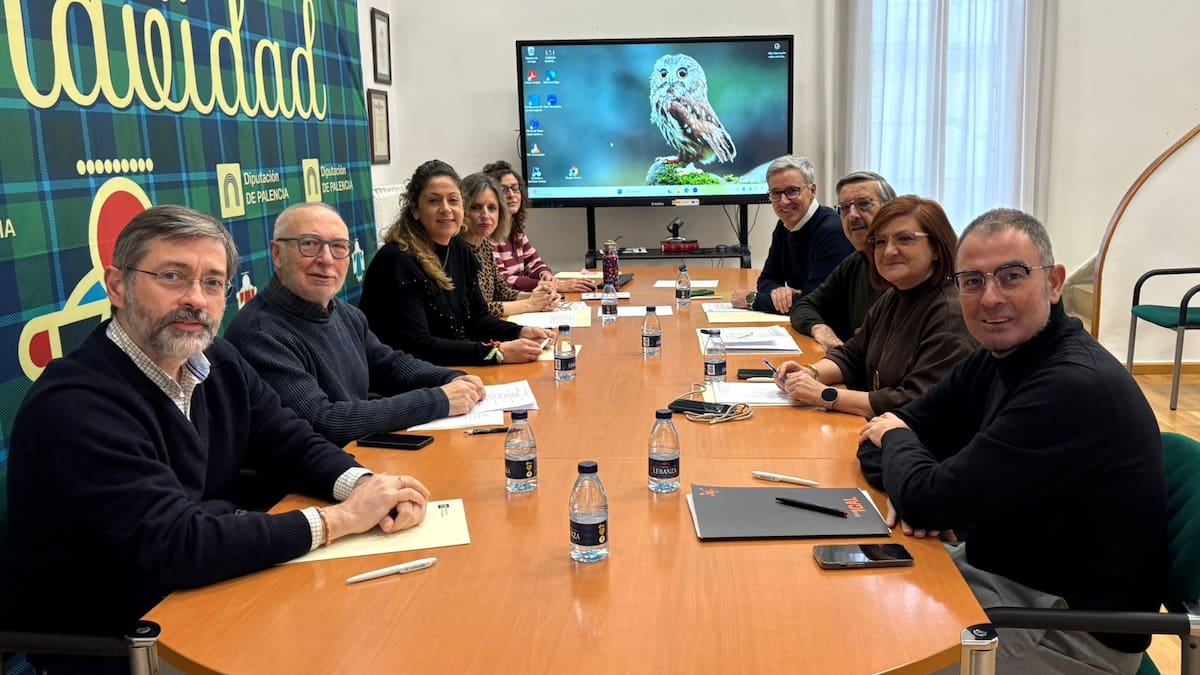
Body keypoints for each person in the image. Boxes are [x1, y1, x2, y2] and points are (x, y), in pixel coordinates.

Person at [5, 205, 431, 644]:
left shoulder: (218, 361)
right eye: (172, 276)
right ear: (118, 286)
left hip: (217, 590)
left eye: (212, 282)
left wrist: (362, 485)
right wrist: (340, 519)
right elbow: (177, 544)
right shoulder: (75, 404)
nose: (195, 298)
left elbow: (292, 441)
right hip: (127, 635)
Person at [858, 208, 1165, 674]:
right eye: (973, 281)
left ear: (1054, 282)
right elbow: (881, 441)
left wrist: (912, 470)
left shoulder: (1071, 386)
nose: (990, 298)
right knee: (839, 606)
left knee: (853, 652)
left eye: (1012, 276)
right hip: (993, 575)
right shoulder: (995, 357)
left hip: (1065, 631)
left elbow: (912, 464)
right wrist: (914, 477)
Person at [225, 202, 486, 447]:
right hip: (302, 487)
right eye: (309, 244)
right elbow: (322, 421)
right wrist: (439, 400)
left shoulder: (346, 313)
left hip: (359, 456)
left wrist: (452, 379)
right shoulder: (259, 334)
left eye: (338, 247)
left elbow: (390, 366)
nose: (326, 259)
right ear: (277, 254)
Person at [773, 196, 974, 417]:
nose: (888, 251)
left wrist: (825, 395)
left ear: (936, 247)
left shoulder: (950, 314)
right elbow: (853, 355)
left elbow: (916, 402)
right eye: (879, 241)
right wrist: (809, 373)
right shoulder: (894, 296)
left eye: (904, 239)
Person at [359, 160, 551, 366]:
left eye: (453, 200)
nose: (446, 209)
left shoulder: (459, 248)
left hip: (450, 365)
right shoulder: (397, 260)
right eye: (434, 201)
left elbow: (478, 320)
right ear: (415, 209)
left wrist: (520, 332)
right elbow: (418, 346)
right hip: (406, 376)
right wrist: (496, 353)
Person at [730, 155, 853, 314]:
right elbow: (767, 279)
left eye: (792, 191)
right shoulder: (784, 225)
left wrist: (752, 299)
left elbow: (815, 304)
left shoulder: (833, 231)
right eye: (776, 193)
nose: (783, 201)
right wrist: (781, 293)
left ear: (812, 190)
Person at [790, 171, 896, 351]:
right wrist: (820, 329)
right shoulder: (856, 261)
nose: (852, 215)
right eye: (845, 208)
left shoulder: (901, 266)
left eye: (864, 204)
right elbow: (804, 305)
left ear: (891, 208)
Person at [458, 172, 561, 318]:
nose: (486, 215)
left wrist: (542, 297)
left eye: (492, 208)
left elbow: (501, 291)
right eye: (476, 207)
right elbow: (475, 310)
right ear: (462, 209)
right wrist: (530, 304)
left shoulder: (484, 243)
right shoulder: (456, 250)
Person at [483, 159, 593, 294]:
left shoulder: (516, 232)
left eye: (515, 188)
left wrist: (544, 273)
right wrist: (554, 286)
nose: (511, 195)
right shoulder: (486, 234)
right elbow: (503, 281)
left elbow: (535, 262)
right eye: (503, 190)